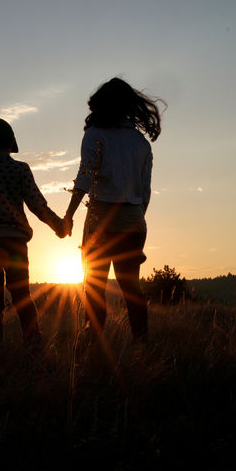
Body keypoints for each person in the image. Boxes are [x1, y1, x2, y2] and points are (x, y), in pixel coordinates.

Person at [62, 77, 162, 343]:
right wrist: (135, 218)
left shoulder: (95, 134)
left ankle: (92, 344)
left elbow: (84, 178)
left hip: (100, 220)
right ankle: (143, 345)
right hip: (134, 221)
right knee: (131, 288)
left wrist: (69, 214)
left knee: (95, 287)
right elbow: (145, 192)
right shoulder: (141, 143)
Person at [0, 118, 67, 350]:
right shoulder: (19, 169)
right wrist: (59, 226)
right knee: (22, 296)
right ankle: (33, 347)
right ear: (10, 145)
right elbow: (37, 205)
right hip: (16, 242)